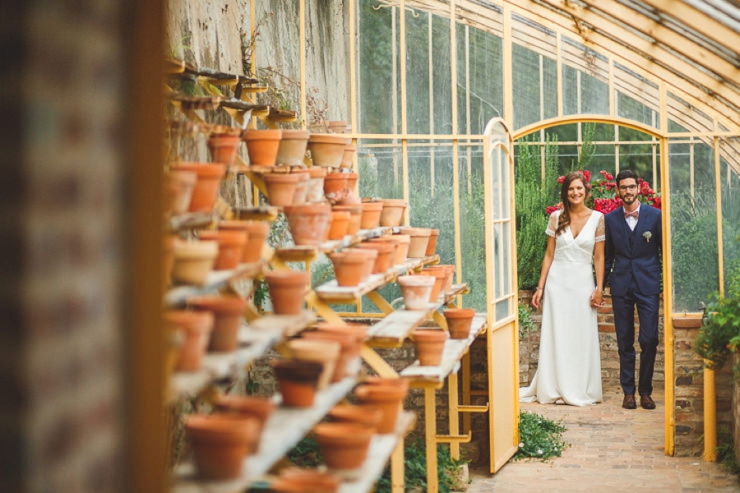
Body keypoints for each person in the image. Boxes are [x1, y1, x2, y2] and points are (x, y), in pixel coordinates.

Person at [520, 171, 604, 406]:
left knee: (581, 334)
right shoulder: (556, 217)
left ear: (586, 191)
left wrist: (599, 287)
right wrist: (540, 287)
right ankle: (554, 386)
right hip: (558, 282)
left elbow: (599, 257)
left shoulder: (598, 218)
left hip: (583, 282)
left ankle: (580, 387)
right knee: (558, 334)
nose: (575, 192)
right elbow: (549, 255)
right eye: (570, 189)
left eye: (579, 188)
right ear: (565, 193)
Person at [603, 169, 662, 410]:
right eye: (623, 187)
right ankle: (628, 392)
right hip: (621, 286)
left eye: (631, 187)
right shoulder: (610, 220)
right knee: (624, 340)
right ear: (617, 190)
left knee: (649, 339)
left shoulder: (655, 216)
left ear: (639, 188)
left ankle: (645, 391)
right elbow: (607, 257)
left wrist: (667, 284)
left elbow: (665, 252)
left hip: (648, 284)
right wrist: (601, 286)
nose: (627, 191)